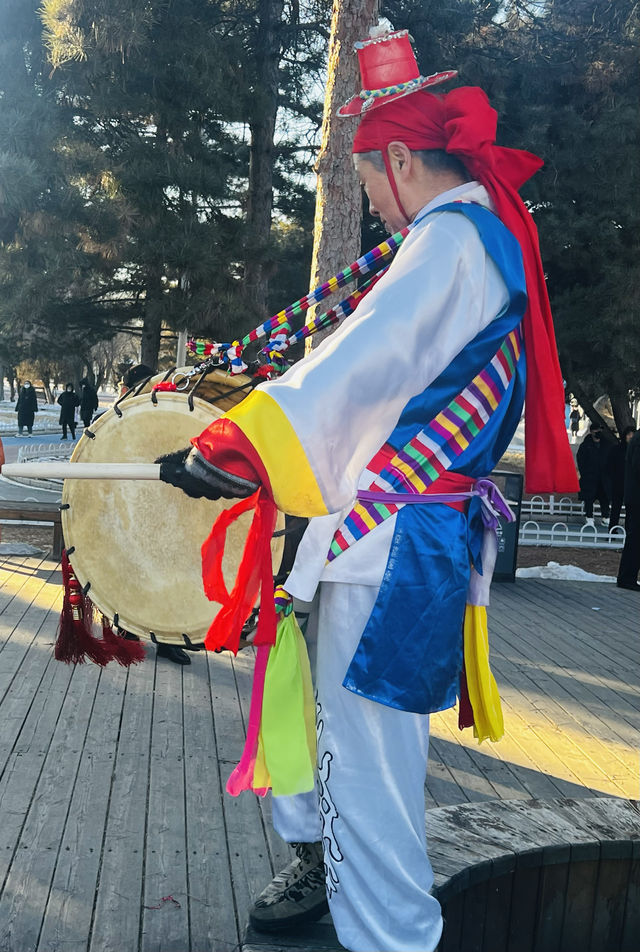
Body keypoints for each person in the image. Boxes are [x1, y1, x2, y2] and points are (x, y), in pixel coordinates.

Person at [157, 27, 578, 952]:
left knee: (373, 763)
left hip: (391, 546)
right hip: (393, 539)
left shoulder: (451, 242)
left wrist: (237, 444)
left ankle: (392, 937)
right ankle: (342, 884)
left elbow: (362, 366)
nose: (376, 209)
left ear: (396, 158)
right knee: (339, 735)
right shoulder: (475, 236)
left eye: (370, 185)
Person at [119, 363, 195, 666]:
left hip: (169, 508)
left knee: (168, 570)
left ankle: (167, 639)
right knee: (133, 568)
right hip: (134, 506)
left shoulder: (167, 410)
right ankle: (127, 632)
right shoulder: (119, 416)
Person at [617, 428, 640, 591]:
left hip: (635, 497)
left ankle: (628, 577)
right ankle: (627, 578)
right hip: (637, 498)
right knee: (635, 539)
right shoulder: (638, 441)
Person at [576, 423, 610, 527]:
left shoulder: (607, 445)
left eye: (600, 430)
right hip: (589, 477)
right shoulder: (585, 445)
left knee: (604, 498)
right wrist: (585, 473)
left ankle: (605, 517)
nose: (598, 432)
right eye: (596, 431)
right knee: (589, 498)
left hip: (603, 478)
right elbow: (580, 460)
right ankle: (589, 518)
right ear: (591, 432)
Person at [606, 425, 635, 530]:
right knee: (616, 508)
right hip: (618, 483)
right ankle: (612, 529)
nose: (631, 437)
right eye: (629, 434)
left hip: (631, 485)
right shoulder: (616, 450)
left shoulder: (636, 451)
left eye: (633, 435)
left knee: (631, 509)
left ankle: (629, 530)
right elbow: (609, 466)